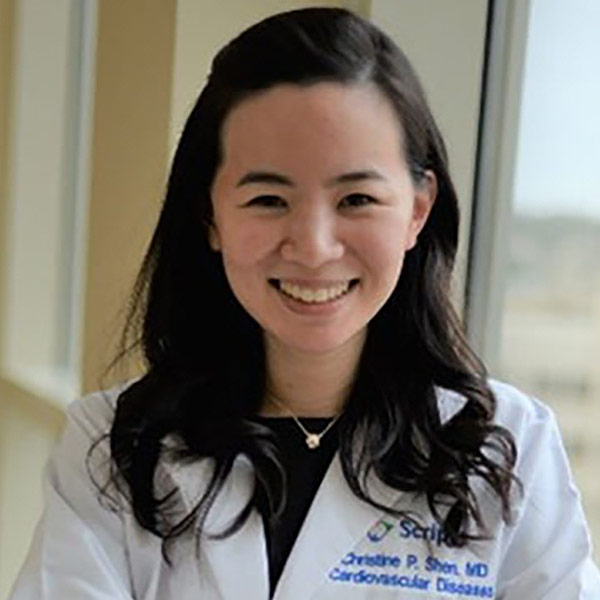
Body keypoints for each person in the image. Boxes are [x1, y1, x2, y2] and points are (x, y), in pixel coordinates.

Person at [10, 7, 600, 599]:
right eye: (268, 199)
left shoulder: (511, 450)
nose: (315, 249)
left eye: (357, 199)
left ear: (417, 211)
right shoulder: (113, 447)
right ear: (210, 215)